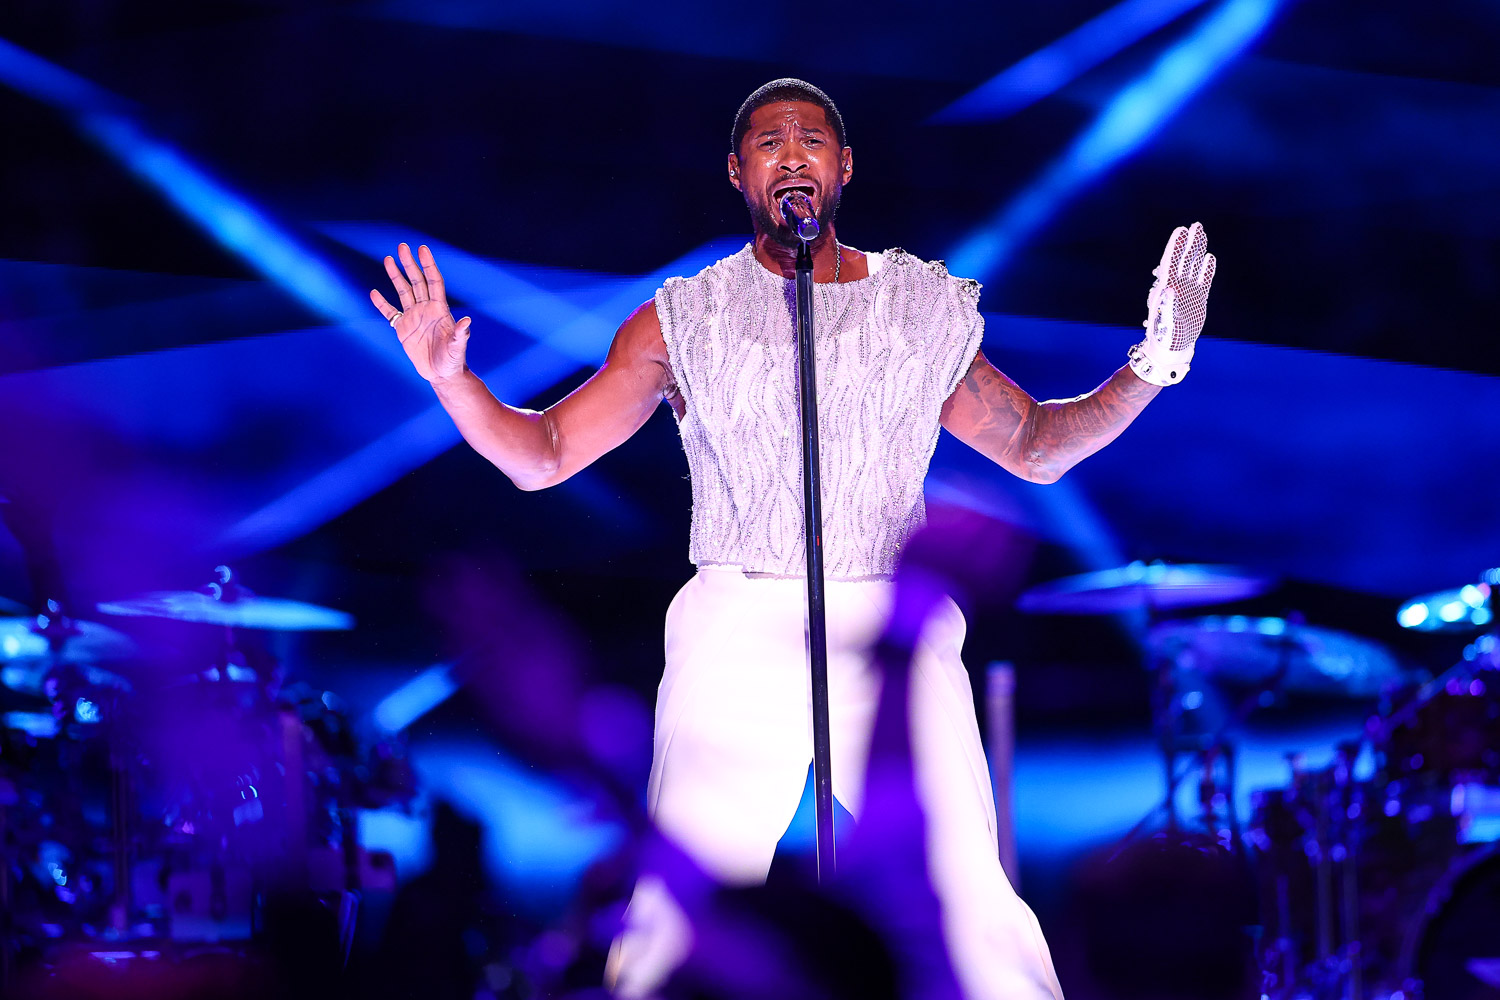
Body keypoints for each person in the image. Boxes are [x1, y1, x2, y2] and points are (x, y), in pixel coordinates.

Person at [370, 78, 1216, 999]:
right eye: (769, 143)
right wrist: (454, 381)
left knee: (966, 892)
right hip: (737, 614)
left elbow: (1037, 447)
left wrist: (1153, 367)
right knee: (670, 906)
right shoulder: (681, 319)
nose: (793, 157)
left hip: (889, 618)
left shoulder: (918, 309)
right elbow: (544, 456)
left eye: (811, 141)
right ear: (739, 173)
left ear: (843, 168)